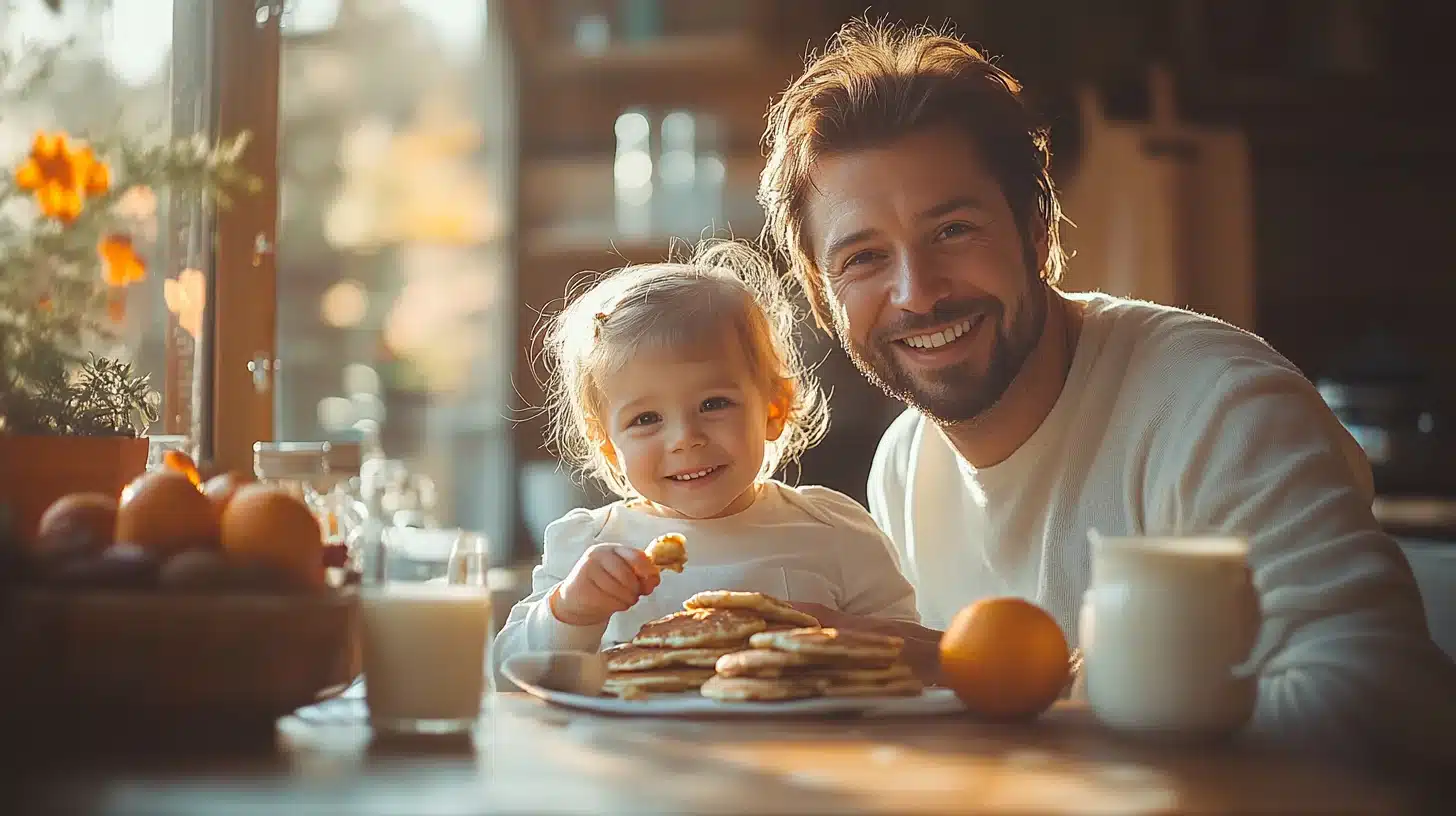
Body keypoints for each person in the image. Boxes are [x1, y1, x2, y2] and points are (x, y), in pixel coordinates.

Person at [755, 19, 1456, 768]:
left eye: (954, 229)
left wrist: (996, 674)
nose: (917, 293)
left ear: (1035, 230)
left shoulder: (1220, 408)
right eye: (863, 257)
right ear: (823, 299)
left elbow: (1385, 709)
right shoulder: (906, 460)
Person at [492, 240, 919, 679]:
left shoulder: (835, 532)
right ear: (606, 443)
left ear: (774, 408)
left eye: (714, 404)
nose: (685, 439)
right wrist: (570, 611)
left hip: (804, 744)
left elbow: (913, 659)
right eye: (646, 418)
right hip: (628, 748)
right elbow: (506, 676)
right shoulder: (588, 547)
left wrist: (842, 634)